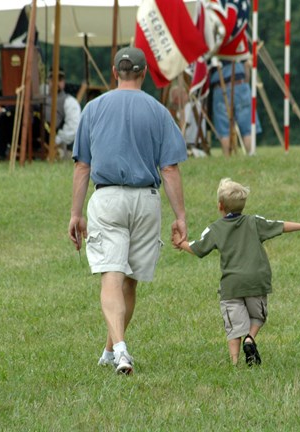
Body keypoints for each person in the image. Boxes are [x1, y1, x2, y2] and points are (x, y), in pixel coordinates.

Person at [68, 47, 188, 376]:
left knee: (112, 275)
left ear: (113, 72)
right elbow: (170, 169)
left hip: (107, 199)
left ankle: (116, 348)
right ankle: (114, 349)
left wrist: (76, 213)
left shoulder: (93, 109)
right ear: (144, 73)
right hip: (146, 200)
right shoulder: (159, 111)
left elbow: (82, 166)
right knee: (130, 282)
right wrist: (180, 217)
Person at [172, 178, 300, 366]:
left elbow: (198, 248)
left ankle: (235, 363)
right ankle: (250, 339)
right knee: (257, 316)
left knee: (234, 327)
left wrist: (181, 243)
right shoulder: (255, 222)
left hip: (232, 285)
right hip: (256, 280)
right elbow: (280, 225)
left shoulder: (215, 229)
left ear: (220, 206)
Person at [209, 59, 260, 157]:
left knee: (224, 127)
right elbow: (246, 65)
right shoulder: (239, 45)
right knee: (247, 126)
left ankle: (227, 158)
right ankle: (251, 154)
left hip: (220, 87)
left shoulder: (211, 48)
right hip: (240, 84)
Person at [41, 68, 81, 157]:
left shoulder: (70, 101)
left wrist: (56, 140)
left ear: (63, 82)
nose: (56, 82)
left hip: (52, 136)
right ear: (48, 81)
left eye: (59, 80)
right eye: (52, 79)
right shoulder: (41, 97)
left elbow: (73, 127)